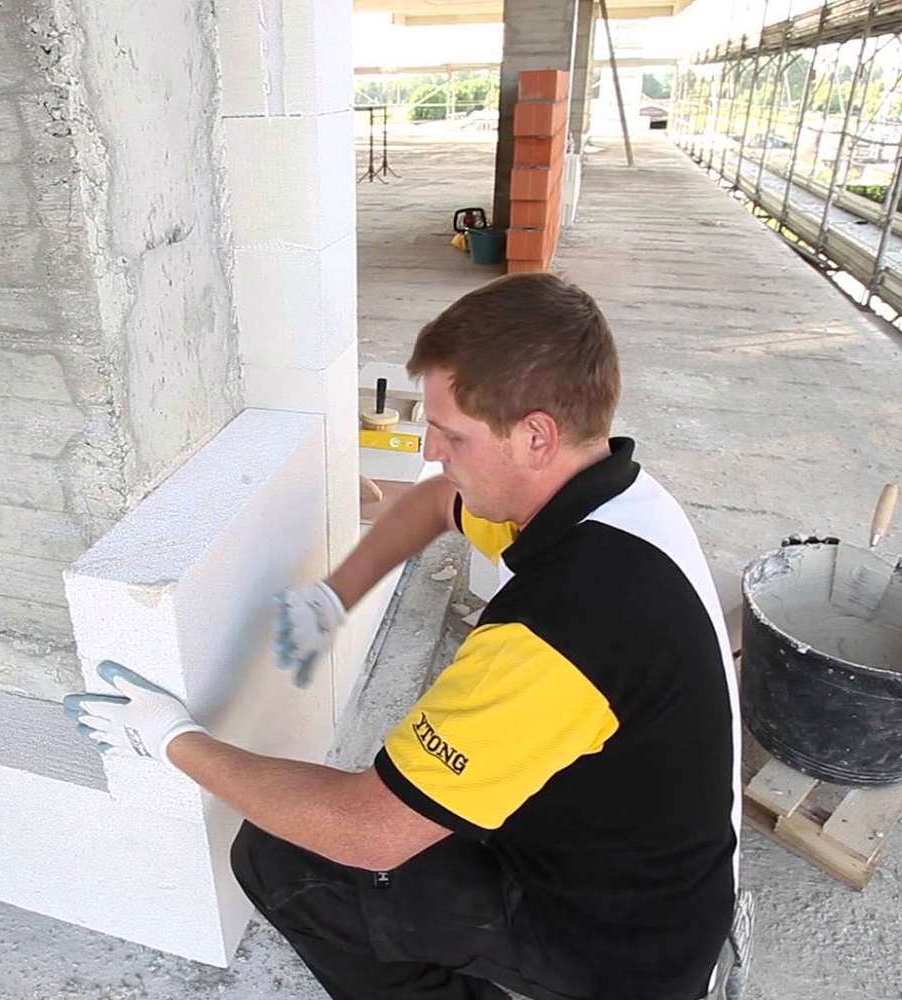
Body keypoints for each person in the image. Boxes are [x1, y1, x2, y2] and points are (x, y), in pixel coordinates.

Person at [64, 273, 743, 1000]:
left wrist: (171, 738)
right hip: (654, 871)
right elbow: (436, 501)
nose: (431, 447)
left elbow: (369, 832)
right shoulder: (615, 496)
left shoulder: (560, 630)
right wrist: (336, 595)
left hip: (619, 950)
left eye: (452, 434)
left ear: (536, 435)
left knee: (286, 858)